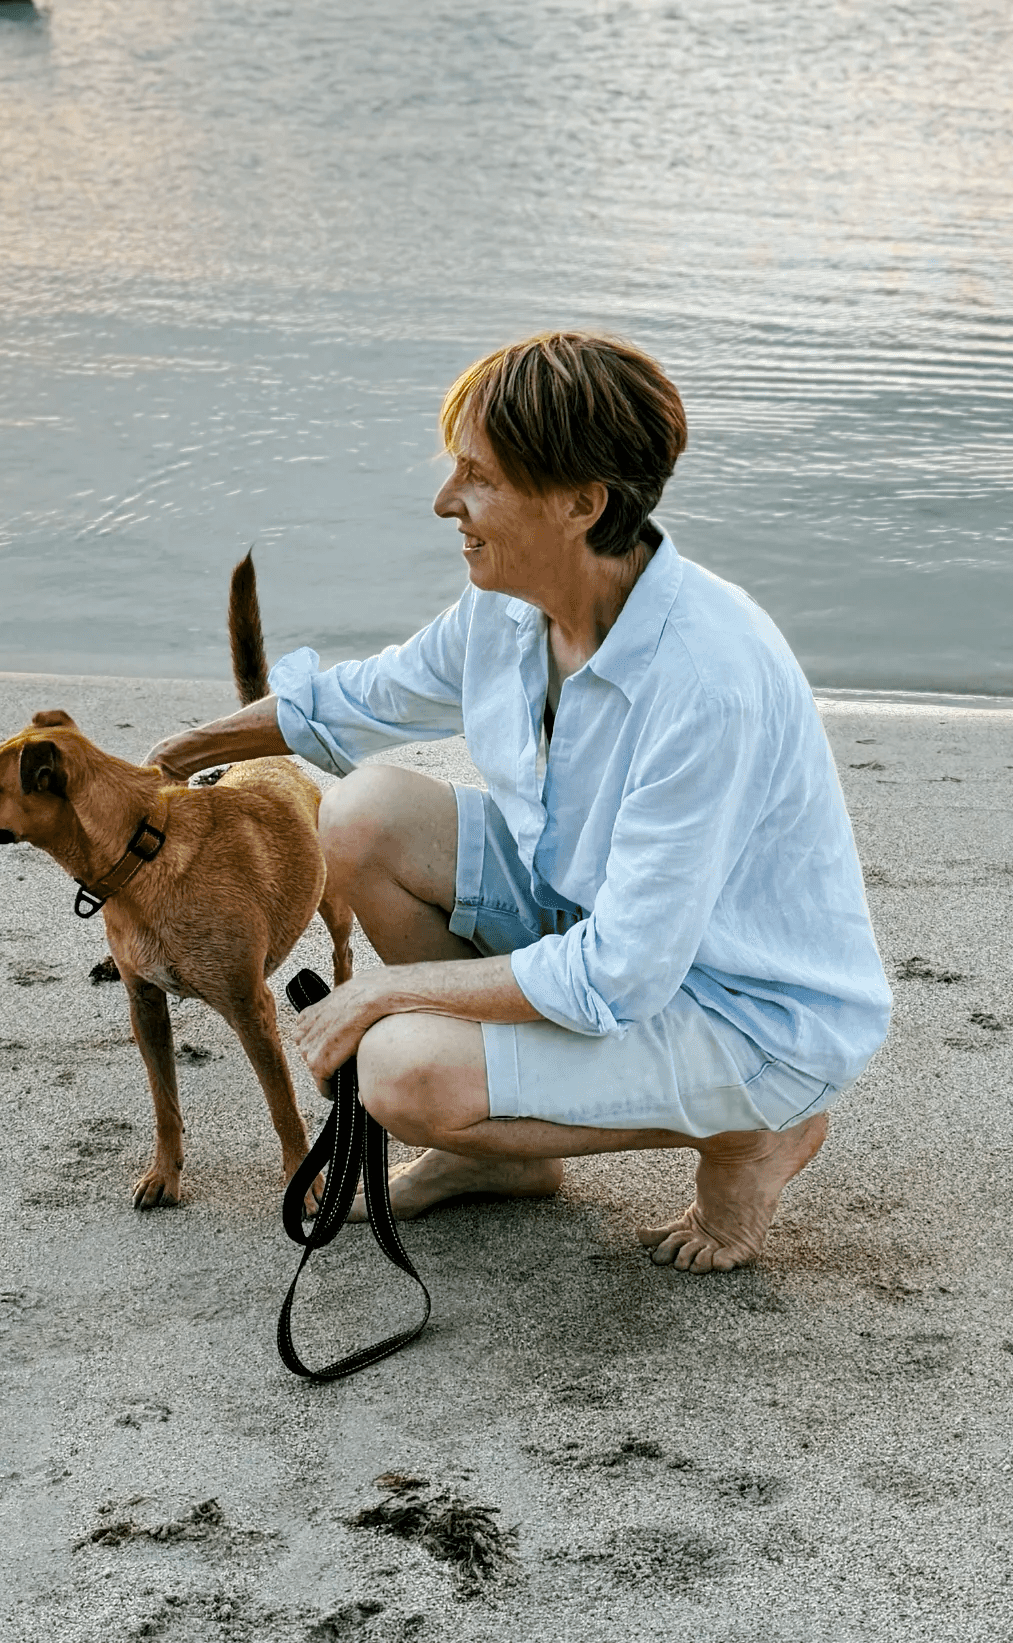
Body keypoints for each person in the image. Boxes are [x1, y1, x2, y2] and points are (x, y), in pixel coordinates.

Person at [147, 332, 888, 1271]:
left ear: (582, 503)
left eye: (479, 478)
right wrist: (177, 753)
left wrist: (388, 989)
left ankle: (754, 1134)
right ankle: (494, 1159)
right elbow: (357, 700)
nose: (444, 502)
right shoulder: (507, 605)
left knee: (398, 1068)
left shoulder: (707, 679)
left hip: (745, 1006)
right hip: (595, 917)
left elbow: (620, 973)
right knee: (361, 815)